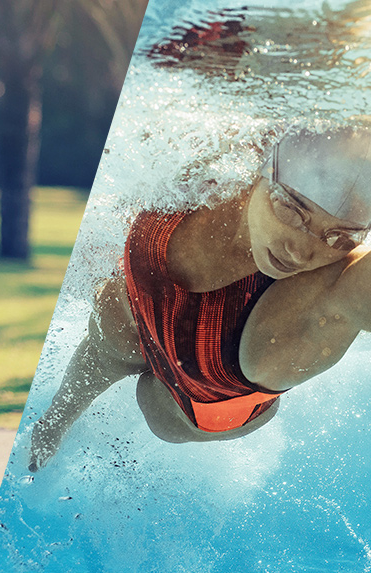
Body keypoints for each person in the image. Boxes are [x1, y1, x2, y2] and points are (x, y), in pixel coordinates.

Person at [28, 124, 371, 472]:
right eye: (290, 210)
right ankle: (51, 424)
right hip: (140, 317)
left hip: (194, 407)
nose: (299, 252)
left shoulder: (338, 286)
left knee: (153, 401)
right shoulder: (216, 163)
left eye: (340, 238)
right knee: (113, 319)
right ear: (262, 171)